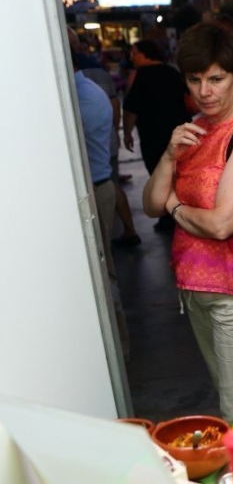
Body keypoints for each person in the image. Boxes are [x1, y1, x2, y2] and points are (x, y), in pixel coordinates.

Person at [142, 21, 233, 423]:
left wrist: (175, 208)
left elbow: (224, 223)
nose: (204, 91)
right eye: (194, 80)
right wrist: (168, 156)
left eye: (216, 79)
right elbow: (150, 204)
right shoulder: (198, 128)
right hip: (196, 291)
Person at [68, 28, 131, 360]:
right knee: (104, 273)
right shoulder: (91, 90)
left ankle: (115, 353)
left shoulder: (75, 99)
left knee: (103, 276)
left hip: (93, 189)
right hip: (99, 185)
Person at [123, 39, 192, 231]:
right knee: (179, 172)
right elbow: (187, 99)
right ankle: (180, 211)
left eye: (134, 53)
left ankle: (168, 216)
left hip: (152, 134)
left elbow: (130, 108)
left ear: (145, 53)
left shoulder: (139, 75)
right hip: (178, 131)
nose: (131, 57)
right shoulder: (172, 71)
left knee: (158, 173)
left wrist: (127, 133)